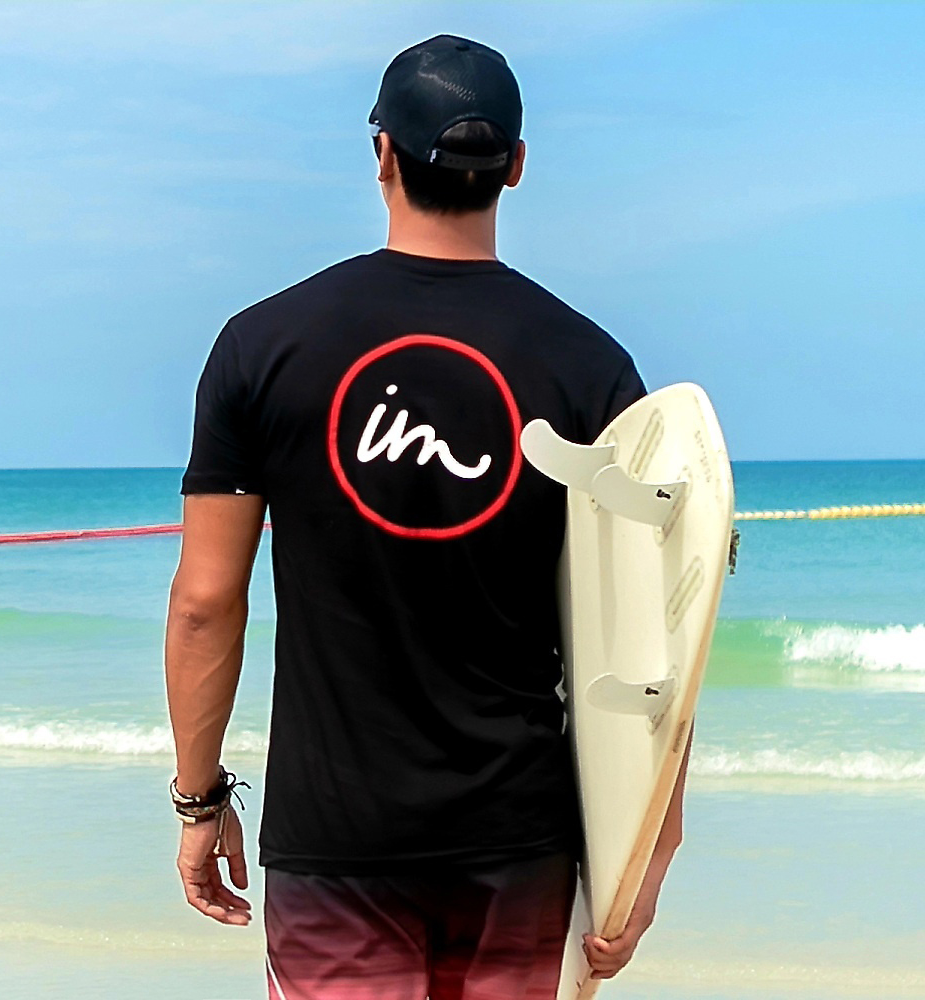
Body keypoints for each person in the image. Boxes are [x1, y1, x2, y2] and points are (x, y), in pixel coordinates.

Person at [165, 34, 689, 1000]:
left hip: (336, 846)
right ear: (516, 166)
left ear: (382, 156)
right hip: (521, 845)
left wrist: (199, 802)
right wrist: (650, 851)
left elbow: (205, 602)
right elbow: (659, 637)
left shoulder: (261, 349)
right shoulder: (590, 367)